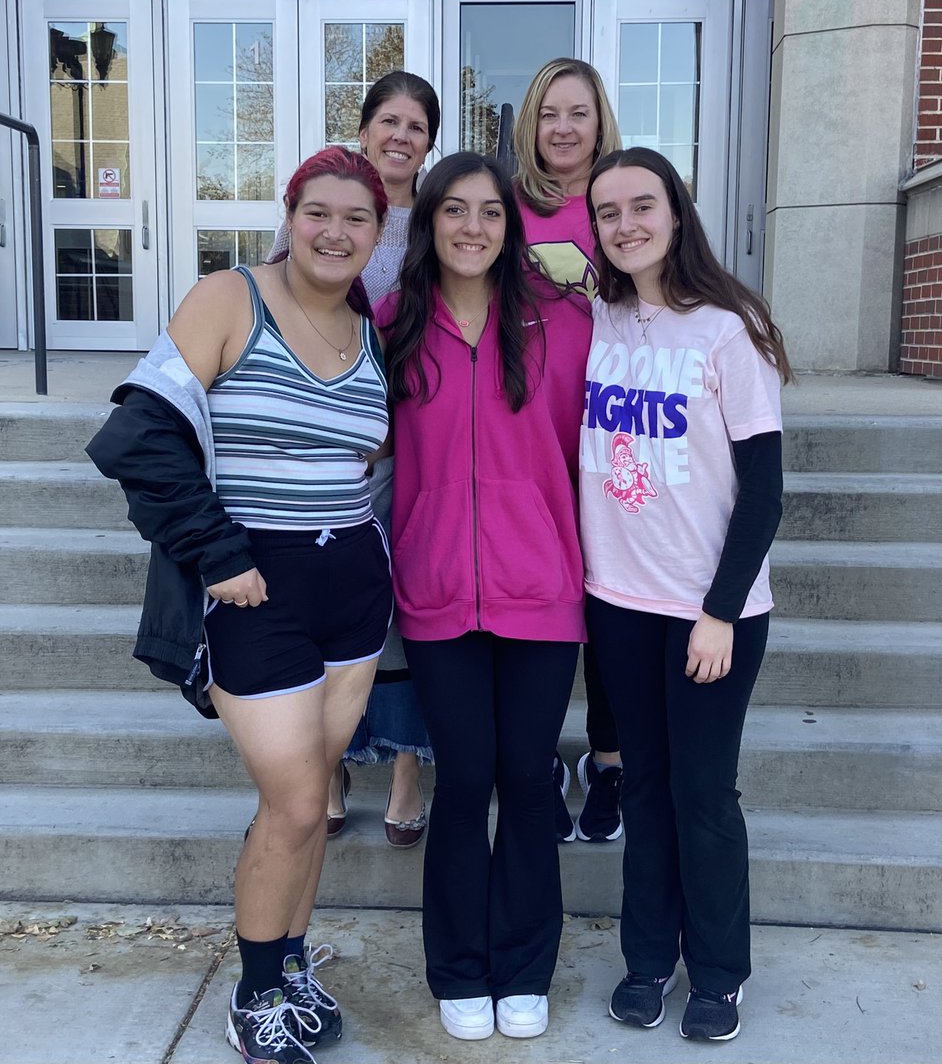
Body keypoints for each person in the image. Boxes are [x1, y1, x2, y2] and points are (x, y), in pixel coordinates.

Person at [88, 147, 392, 1064]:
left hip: (355, 588)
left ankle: (291, 965)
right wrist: (219, 552)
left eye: (358, 218)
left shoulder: (368, 323)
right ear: (290, 216)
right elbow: (138, 437)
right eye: (319, 213)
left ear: (378, 235)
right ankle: (255, 995)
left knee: (315, 790)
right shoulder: (231, 299)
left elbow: (366, 453)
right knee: (296, 802)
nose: (336, 232)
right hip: (255, 587)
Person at [377, 152, 592, 1042]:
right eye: (454, 210)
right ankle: (460, 968)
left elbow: (600, 448)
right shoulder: (391, 323)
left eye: (491, 213)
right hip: (435, 594)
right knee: (465, 780)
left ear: (514, 227)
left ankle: (525, 964)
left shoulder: (562, 322)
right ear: (428, 222)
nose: (473, 227)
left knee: (527, 781)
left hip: (541, 590)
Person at [580, 147, 792, 1043]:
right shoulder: (597, 318)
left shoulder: (728, 327)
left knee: (705, 793)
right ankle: (646, 961)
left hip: (710, 612)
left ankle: (718, 973)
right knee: (645, 789)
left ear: (676, 212)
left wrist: (720, 608)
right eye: (607, 212)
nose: (624, 224)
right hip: (617, 602)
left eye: (641, 206)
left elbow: (765, 490)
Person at [268, 70, 441, 847]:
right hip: (326, 441)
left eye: (416, 126)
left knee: (400, 604)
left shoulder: (438, 217)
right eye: (389, 121)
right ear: (365, 127)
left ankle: (407, 764)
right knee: (323, 594)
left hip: (414, 435)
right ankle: (329, 763)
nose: (401, 136)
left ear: (430, 141)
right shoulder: (329, 200)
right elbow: (277, 306)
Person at [512, 57, 624, 844]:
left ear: (598, 121)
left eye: (577, 113)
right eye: (549, 112)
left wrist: (599, 289)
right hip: (525, 428)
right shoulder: (505, 205)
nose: (562, 128)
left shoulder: (626, 200)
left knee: (614, 603)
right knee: (540, 606)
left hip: (615, 430)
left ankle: (610, 760)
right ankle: (543, 757)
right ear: (530, 121)